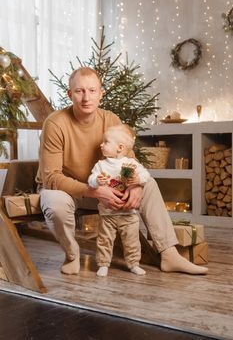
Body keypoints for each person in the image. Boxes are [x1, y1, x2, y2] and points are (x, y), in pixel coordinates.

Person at [37, 66, 208, 276]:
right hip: (70, 191)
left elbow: (129, 163)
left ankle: (169, 254)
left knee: (149, 184)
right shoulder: (55, 123)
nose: (86, 97)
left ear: (101, 93)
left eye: (92, 91)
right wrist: (93, 191)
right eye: (80, 91)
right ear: (69, 94)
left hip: (105, 188)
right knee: (55, 204)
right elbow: (51, 178)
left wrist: (135, 185)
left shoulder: (110, 119)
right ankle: (72, 254)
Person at [88, 124, 151, 277]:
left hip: (128, 214)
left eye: (106, 142)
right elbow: (90, 181)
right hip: (107, 214)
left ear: (120, 147)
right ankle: (103, 264)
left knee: (132, 241)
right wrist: (97, 180)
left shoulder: (130, 164)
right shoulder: (101, 165)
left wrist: (137, 179)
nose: (101, 144)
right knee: (104, 240)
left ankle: (134, 264)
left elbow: (146, 175)